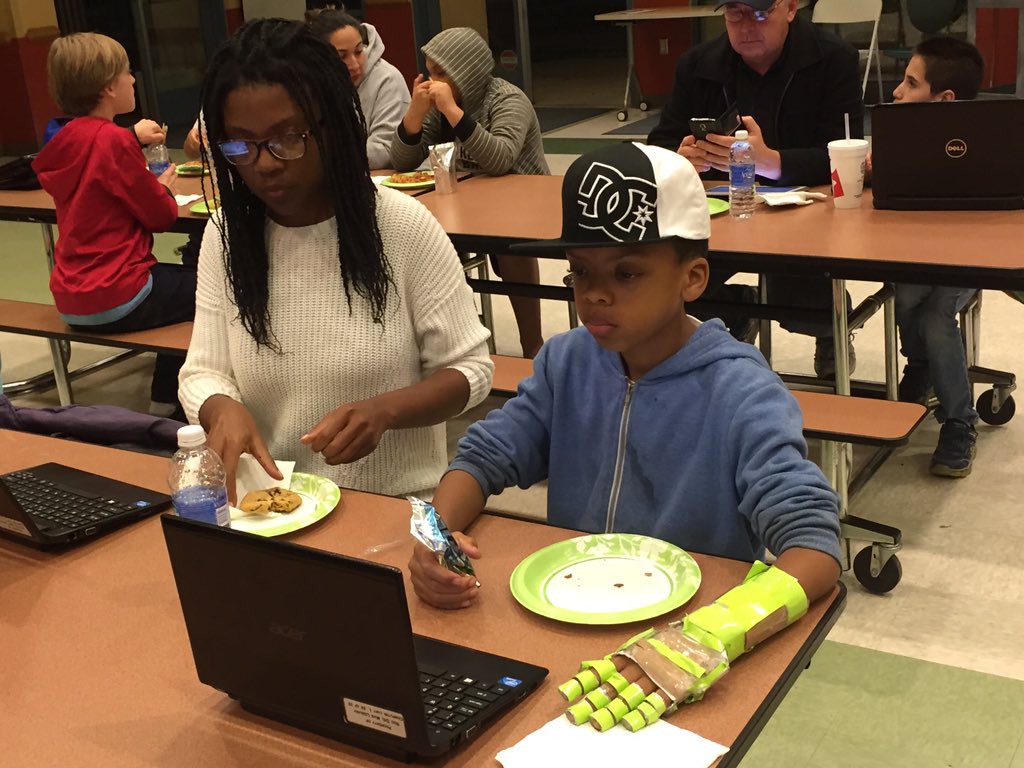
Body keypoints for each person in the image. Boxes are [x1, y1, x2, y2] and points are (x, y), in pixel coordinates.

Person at [409, 142, 841, 612]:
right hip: (573, 604)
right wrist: (437, 537)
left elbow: (813, 543)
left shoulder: (741, 392)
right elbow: (482, 456)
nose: (594, 293)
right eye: (580, 271)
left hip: (688, 624)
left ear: (693, 278)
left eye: (627, 273)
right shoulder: (565, 363)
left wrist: (719, 630)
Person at [177, 19, 493, 500]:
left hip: (393, 507)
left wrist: (386, 411)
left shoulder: (401, 226)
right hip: (275, 509)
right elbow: (203, 370)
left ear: (334, 128)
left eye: (287, 138)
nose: (263, 164)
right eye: (240, 144)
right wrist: (220, 407)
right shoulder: (226, 238)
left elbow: (470, 369)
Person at [647, 0, 864, 377]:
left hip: (807, 214)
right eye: (735, 14)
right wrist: (680, 158)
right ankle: (738, 307)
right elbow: (659, 144)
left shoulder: (834, 59)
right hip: (722, 215)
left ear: (791, 8)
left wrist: (770, 162)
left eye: (761, 14)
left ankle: (829, 330)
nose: (747, 26)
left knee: (801, 307)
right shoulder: (699, 65)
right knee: (673, 285)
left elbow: (846, 153)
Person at [32, 33, 193, 418]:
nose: (134, 80)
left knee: (181, 282)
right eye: (126, 73)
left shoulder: (64, 138)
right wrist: (162, 189)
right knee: (213, 289)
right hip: (118, 293)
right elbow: (161, 217)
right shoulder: (113, 141)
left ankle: (163, 396)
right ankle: (170, 402)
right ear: (108, 87)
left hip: (72, 296)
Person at [390, 26, 548, 358]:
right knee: (422, 237)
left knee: (511, 247)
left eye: (441, 73)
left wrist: (454, 113)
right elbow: (402, 163)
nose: (433, 82)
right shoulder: (439, 107)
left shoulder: (507, 100)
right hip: (466, 201)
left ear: (465, 72)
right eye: (430, 72)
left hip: (525, 202)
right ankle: (454, 343)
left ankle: (532, 346)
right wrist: (414, 116)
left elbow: (500, 159)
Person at [884, 37, 985, 477]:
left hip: (969, 255)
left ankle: (960, 420)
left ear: (943, 100)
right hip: (915, 251)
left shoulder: (989, 143)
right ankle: (921, 365)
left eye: (910, 83)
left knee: (934, 314)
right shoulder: (899, 137)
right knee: (906, 296)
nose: (896, 93)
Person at [306, 7, 411, 170]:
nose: (354, 64)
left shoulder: (387, 79)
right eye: (342, 56)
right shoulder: (308, 83)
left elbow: (386, 150)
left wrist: (323, 157)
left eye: (358, 51)